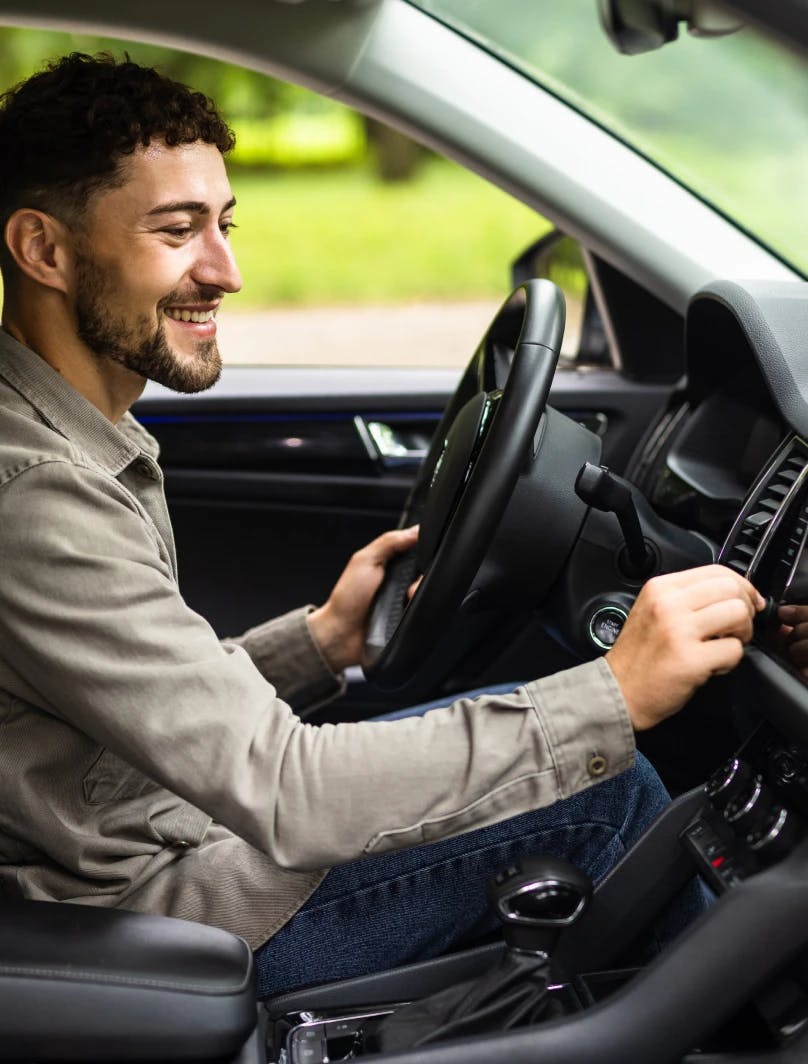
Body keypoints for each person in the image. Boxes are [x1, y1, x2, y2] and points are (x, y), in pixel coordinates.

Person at [0, 53, 763, 998]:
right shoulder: (36, 493)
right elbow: (287, 791)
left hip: (174, 833)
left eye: (225, 225)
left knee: (551, 732)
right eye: (177, 230)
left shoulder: (69, 433)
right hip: (144, 915)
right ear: (44, 250)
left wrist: (319, 642)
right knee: (607, 793)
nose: (227, 271)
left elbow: (132, 711)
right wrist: (615, 693)